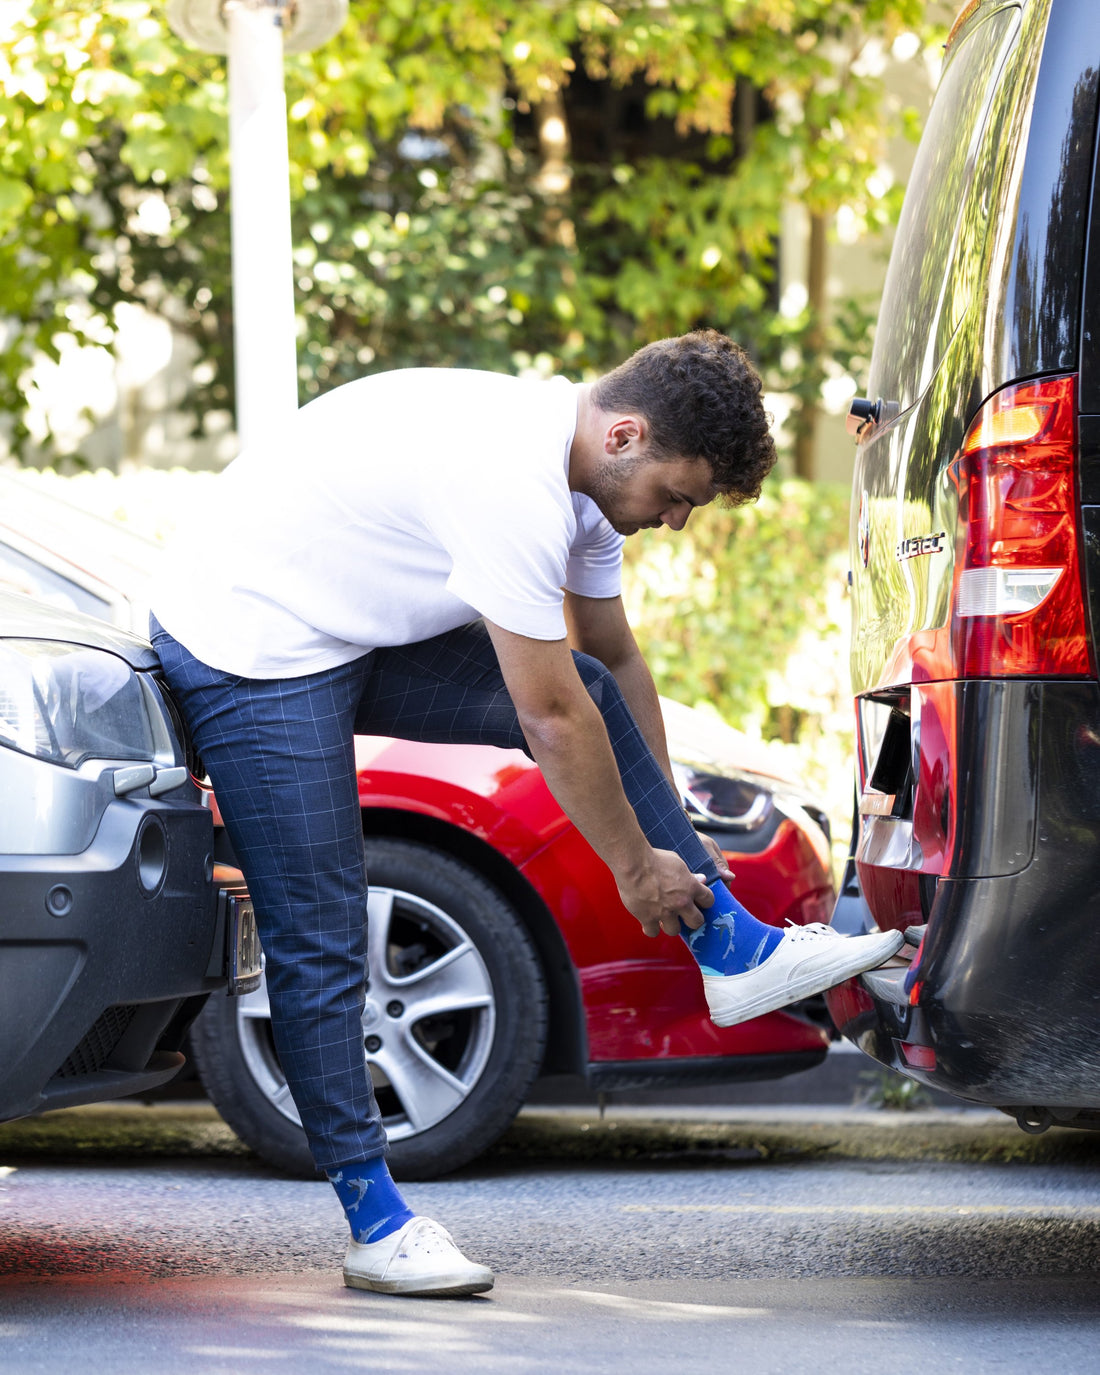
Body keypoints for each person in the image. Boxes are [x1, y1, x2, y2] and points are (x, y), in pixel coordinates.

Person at [150, 329, 901, 1298]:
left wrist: (681, 854)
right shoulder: (511, 483)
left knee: (587, 678)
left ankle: (733, 950)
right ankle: (375, 1222)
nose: (674, 521)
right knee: (323, 926)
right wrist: (634, 867)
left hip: (347, 623)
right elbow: (548, 719)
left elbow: (611, 670)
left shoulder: (589, 477)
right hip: (249, 641)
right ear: (625, 434)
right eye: (677, 496)